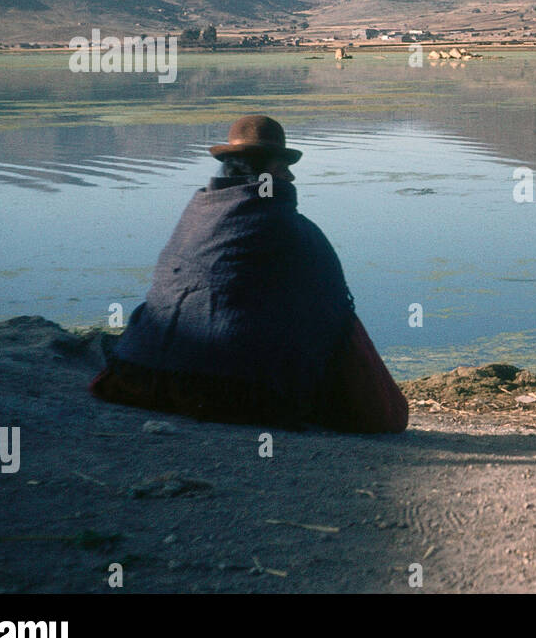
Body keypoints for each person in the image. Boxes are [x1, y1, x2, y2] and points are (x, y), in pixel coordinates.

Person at [88, 114, 408, 433]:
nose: (291, 179)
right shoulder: (292, 232)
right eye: (283, 168)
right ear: (269, 174)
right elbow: (335, 318)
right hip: (235, 394)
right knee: (373, 390)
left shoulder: (197, 214)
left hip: (143, 373)